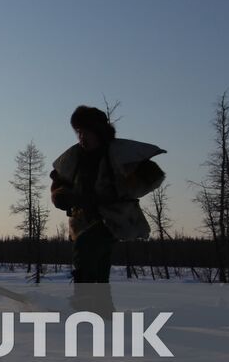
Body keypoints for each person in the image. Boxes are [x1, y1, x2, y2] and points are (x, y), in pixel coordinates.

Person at [50, 106, 165, 311]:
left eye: (87, 132)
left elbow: (152, 176)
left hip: (112, 218)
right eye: (79, 132)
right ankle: (104, 308)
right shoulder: (74, 157)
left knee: (85, 250)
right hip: (83, 219)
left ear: (99, 132)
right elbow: (59, 183)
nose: (82, 137)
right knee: (100, 263)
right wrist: (60, 196)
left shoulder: (117, 153)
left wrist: (121, 192)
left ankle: (83, 304)